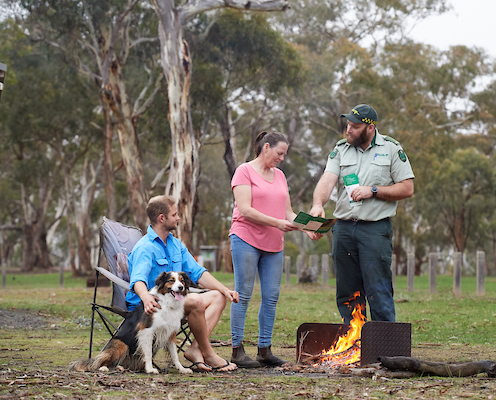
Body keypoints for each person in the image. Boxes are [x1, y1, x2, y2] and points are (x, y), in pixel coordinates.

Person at [309, 104, 414, 324]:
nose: (349, 130)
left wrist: (373, 191)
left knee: (378, 289)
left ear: (370, 128)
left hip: (374, 230)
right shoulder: (340, 149)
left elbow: (407, 188)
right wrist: (318, 204)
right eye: (348, 125)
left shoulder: (392, 149)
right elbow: (328, 180)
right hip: (344, 229)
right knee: (347, 292)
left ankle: (385, 348)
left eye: (355, 127)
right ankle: (353, 344)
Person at [229, 131, 318, 368]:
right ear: (266, 147)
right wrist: (278, 222)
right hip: (245, 238)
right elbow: (245, 210)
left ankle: (265, 350)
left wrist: (307, 228)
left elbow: (288, 213)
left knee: (271, 297)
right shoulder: (244, 171)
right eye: (279, 153)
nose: (281, 158)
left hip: (273, 244)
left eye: (284, 155)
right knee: (243, 293)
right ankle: (237, 350)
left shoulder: (280, 176)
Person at [126, 195, 239, 372]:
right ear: (162, 218)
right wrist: (146, 297)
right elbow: (137, 280)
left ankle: (195, 349)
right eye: (175, 214)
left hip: (174, 304)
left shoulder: (175, 244)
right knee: (195, 301)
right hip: (150, 307)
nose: (178, 218)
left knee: (218, 296)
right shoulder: (145, 247)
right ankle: (208, 353)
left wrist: (224, 289)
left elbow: (198, 273)